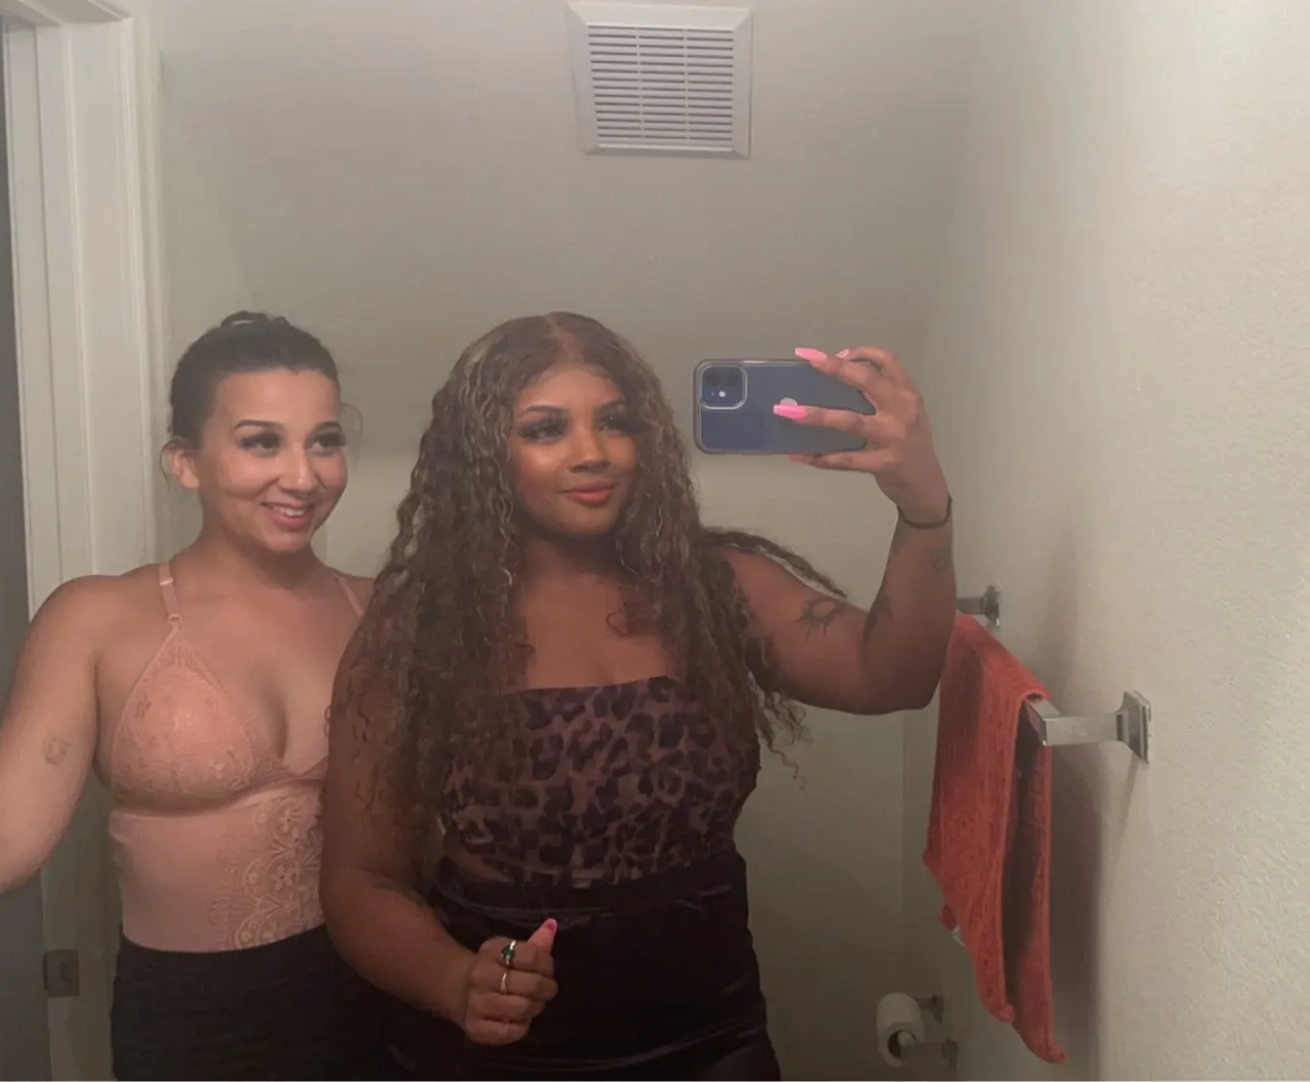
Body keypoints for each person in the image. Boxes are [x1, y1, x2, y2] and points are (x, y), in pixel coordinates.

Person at [323, 312, 957, 1080]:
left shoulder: (713, 587)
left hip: (709, 1041)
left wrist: (923, 506)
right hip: (496, 1050)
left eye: (615, 422)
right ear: (484, 453)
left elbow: (892, 676)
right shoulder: (422, 629)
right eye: (546, 429)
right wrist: (454, 981)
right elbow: (361, 880)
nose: (593, 452)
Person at [0, 313, 389, 1079]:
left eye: (324, 441)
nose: (303, 476)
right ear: (185, 462)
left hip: (377, 995)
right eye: (262, 442)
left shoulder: (383, 613)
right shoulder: (98, 619)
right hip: (194, 1026)